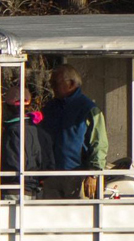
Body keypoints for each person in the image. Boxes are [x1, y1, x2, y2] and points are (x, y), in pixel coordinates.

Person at [41, 63, 108, 198]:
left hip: (77, 175)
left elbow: (98, 143)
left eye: (55, 82)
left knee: (79, 217)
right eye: (51, 82)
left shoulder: (88, 109)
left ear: (71, 83)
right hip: (50, 176)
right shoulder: (49, 108)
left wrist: (93, 174)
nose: (52, 86)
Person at [0, 94, 55, 193]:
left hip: (14, 188)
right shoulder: (42, 132)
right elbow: (50, 164)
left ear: (8, 108)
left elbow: (12, 163)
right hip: (34, 189)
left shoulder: (12, 131)